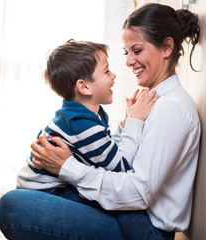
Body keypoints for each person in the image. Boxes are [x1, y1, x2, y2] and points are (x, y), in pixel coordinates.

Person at [0, 3, 201, 240]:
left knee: (11, 205)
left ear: (166, 48)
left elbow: (136, 192)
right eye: (126, 53)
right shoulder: (152, 101)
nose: (128, 62)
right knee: (20, 199)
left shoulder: (172, 108)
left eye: (137, 50)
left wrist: (66, 167)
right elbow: (115, 158)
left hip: (144, 227)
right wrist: (127, 124)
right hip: (126, 215)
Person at [16, 39, 163, 238]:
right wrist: (136, 121)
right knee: (123, 205)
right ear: (84, 87)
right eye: (107, 71)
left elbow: (107, 153)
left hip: (54, 186)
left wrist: (126, 122)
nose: (114, 75)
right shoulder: (80, 124)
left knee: (112, 196)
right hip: (47, 192)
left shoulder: (88, 115)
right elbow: (120, 165)